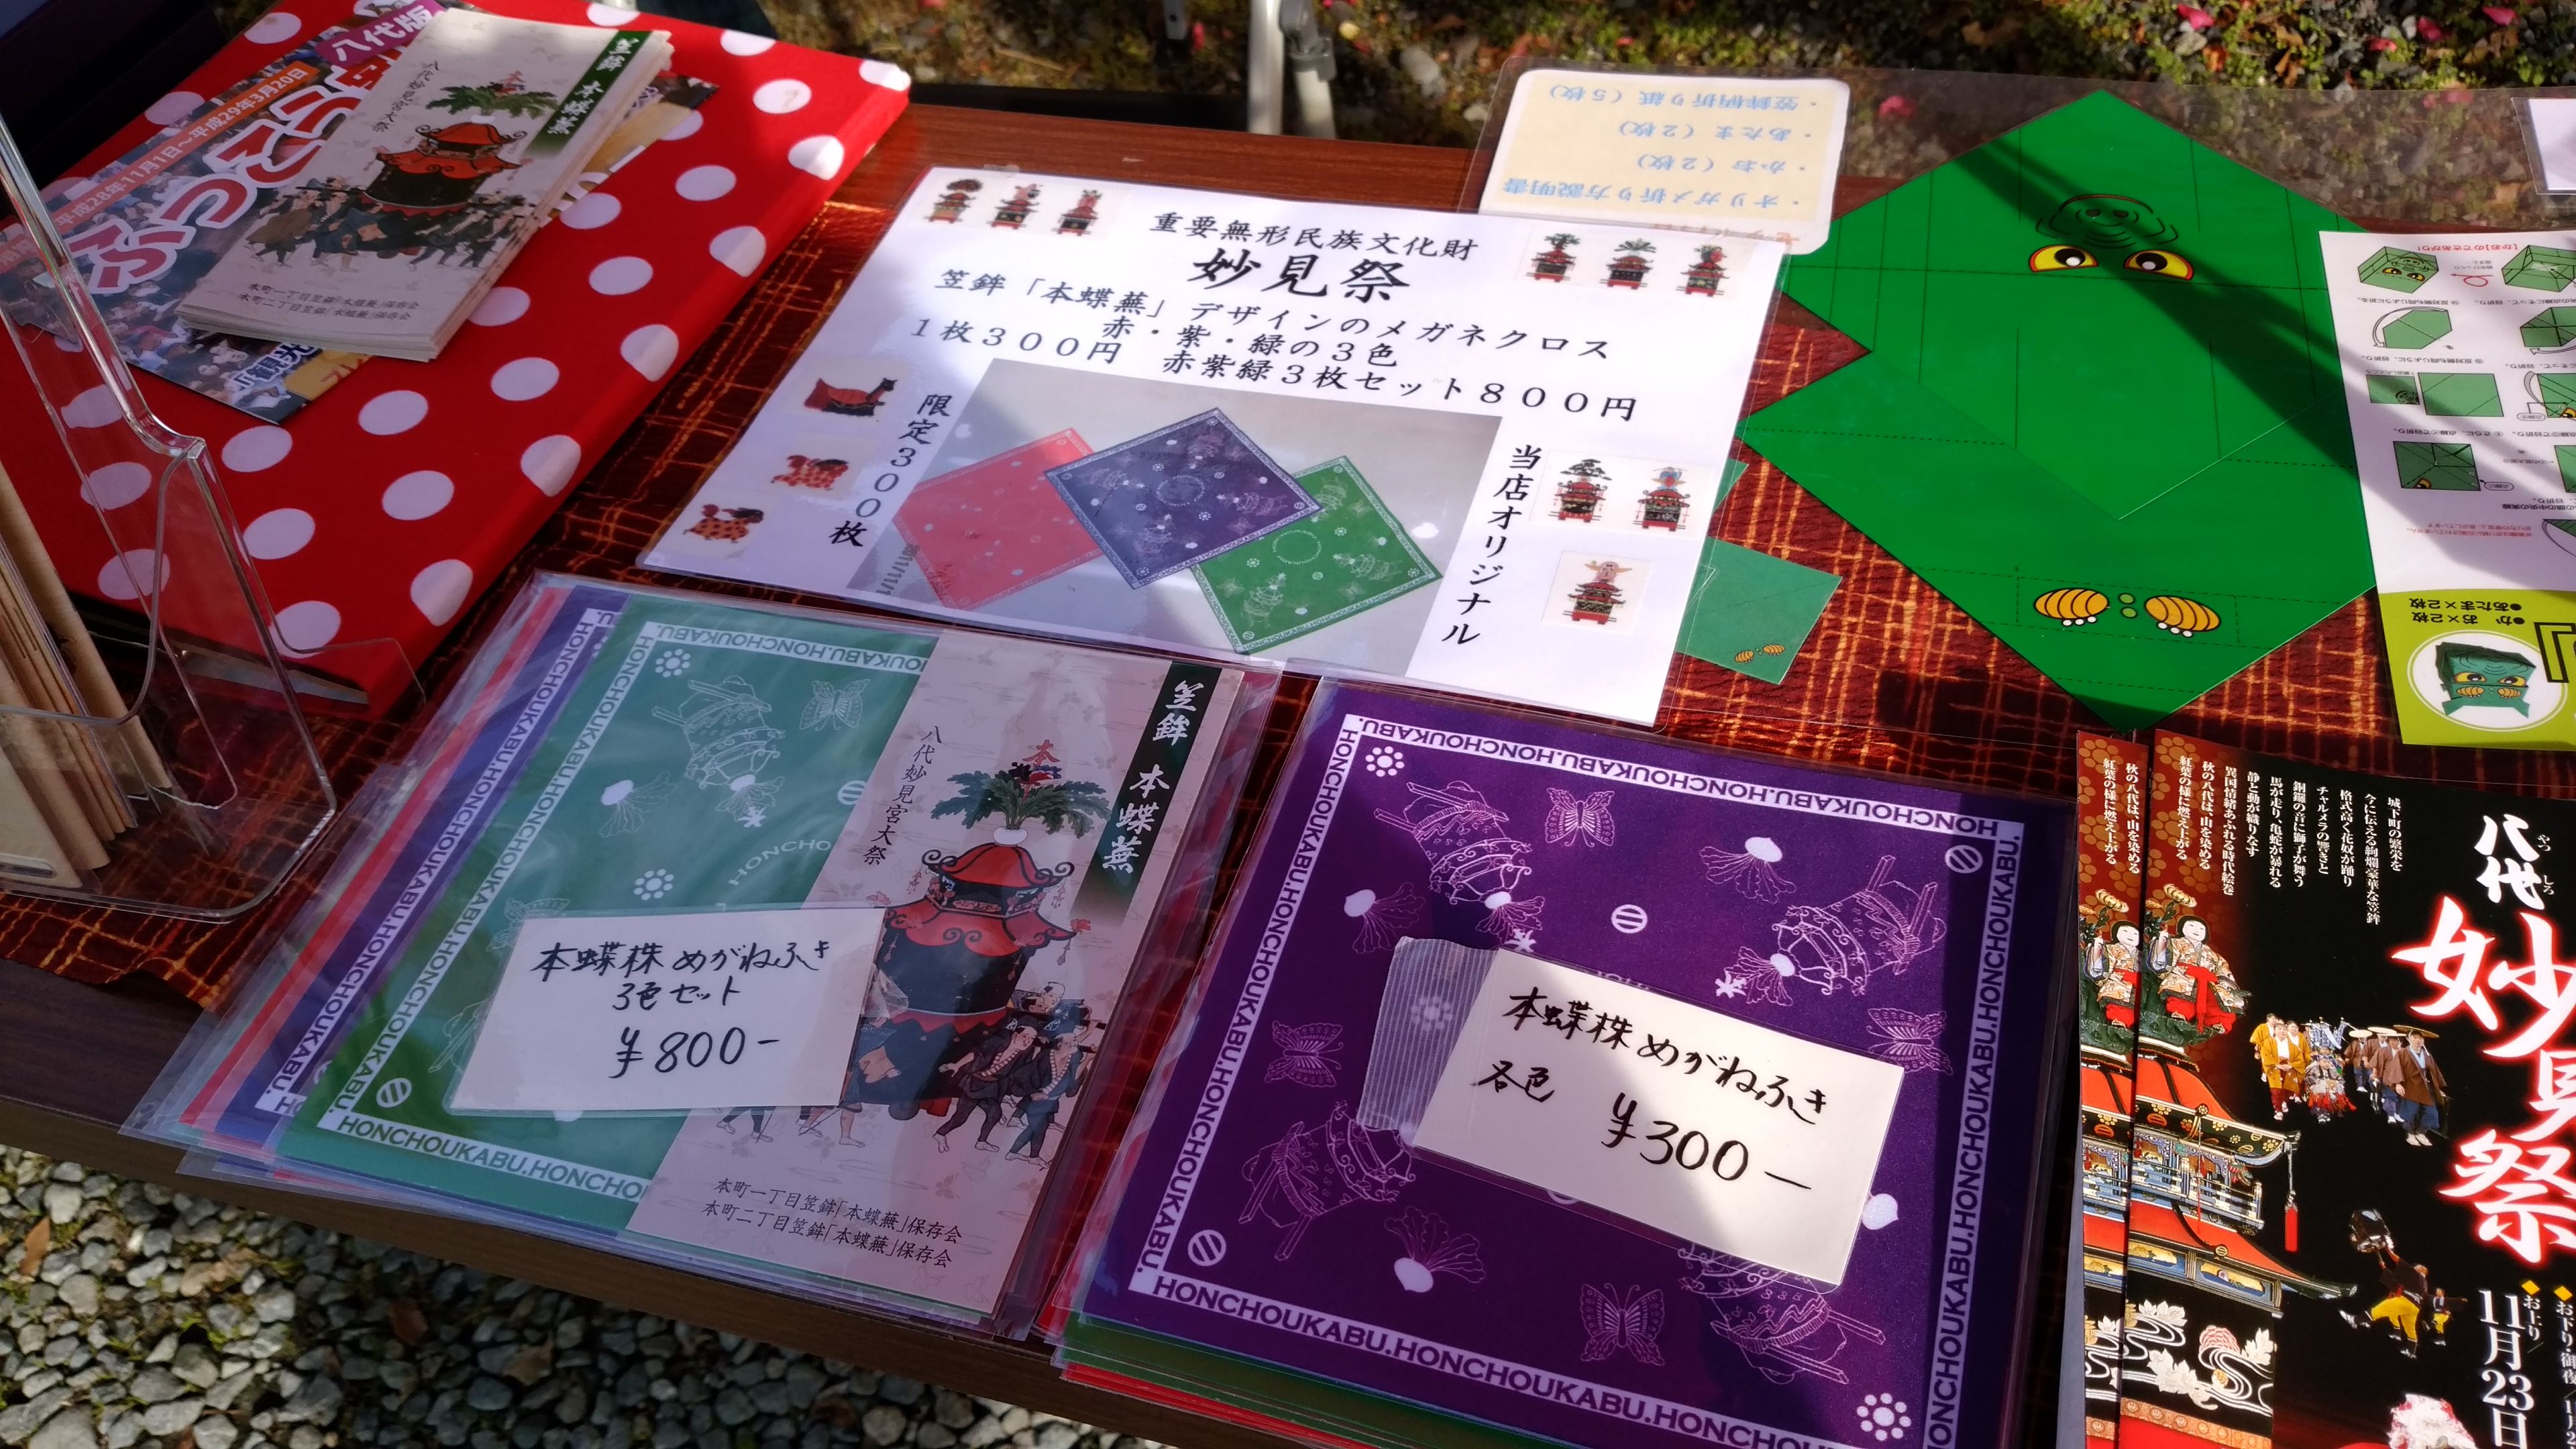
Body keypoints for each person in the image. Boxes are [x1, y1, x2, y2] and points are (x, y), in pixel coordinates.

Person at [2384, 1028, 2448, 1146]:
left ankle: (2421, 1132)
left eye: (2420, 1038)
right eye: (2415, 1038)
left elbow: (2434, 1072)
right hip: (2410, 1087)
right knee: (2411, 1112)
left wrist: (2438, 1089)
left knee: (2432, 1113)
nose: (2418, 1040)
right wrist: (2398, 1084)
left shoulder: (2427, 1054)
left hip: (2425, 1087)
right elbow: (2396, 1069)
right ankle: (2411, 1133)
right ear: (2409, 1039)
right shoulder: (2402, 1053)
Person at [2251, 1014, 2307, 1119]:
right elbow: (2266, 1054)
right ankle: (2278, 1110)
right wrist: (2276, 1064)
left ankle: (2284, 1102)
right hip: (2275, 1067)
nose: (2282, 1031)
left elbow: (2299, 1058)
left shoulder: (2293, 1046)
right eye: (2280, 1029)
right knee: (2276, 1090)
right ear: (2275, 1031)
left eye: (2284, 1030)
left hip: (2288, 1067)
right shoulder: (2269, 1042)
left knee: (2287, 1089)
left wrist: (2291, 1065)